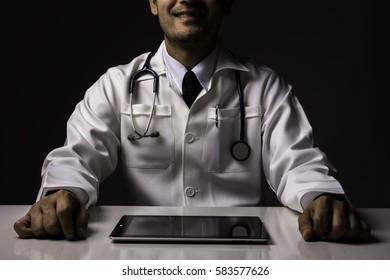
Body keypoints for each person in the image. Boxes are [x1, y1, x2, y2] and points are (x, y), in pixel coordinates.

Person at [14, 0, 370, 242]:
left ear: (227, 2)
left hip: (242, 260)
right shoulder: (116, 85)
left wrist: (320, 196)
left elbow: (297, 162)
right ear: (153, 2)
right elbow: (79, 154)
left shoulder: (265, 86)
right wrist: (63, 192)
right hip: (146, 260)